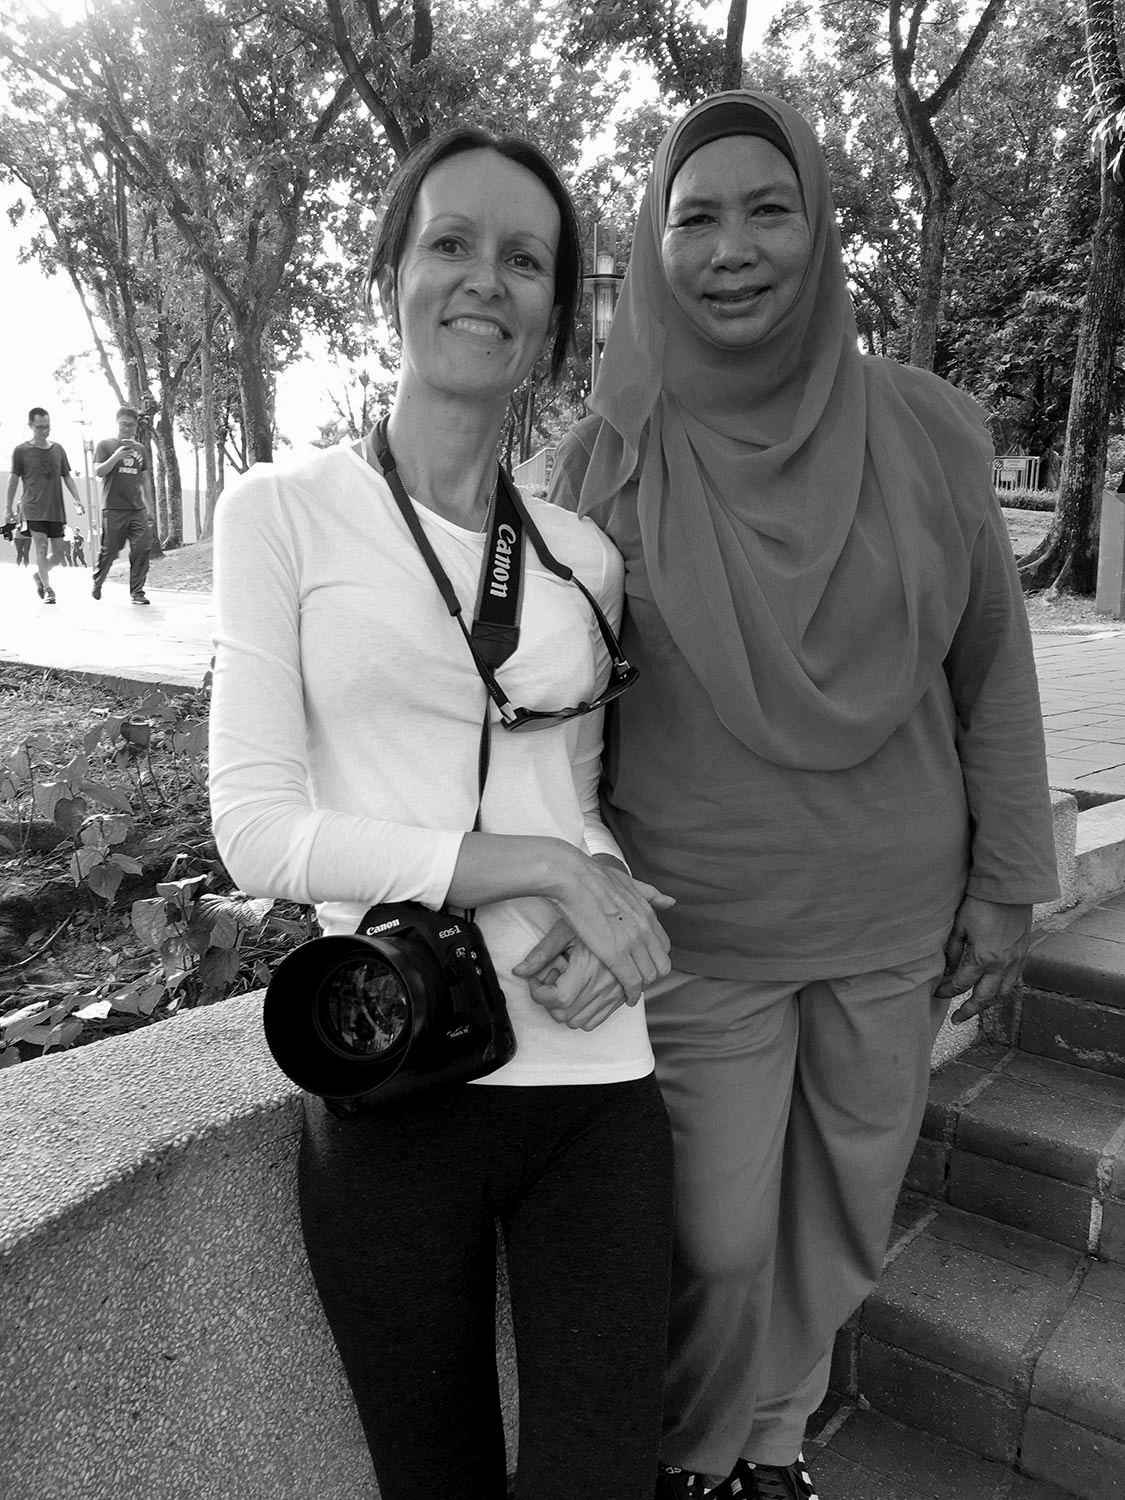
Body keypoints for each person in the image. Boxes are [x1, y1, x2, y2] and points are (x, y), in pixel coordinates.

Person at [527, 91, 1061, 1500]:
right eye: (693, 217)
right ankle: (693, 1448)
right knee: (712, 1235)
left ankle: (772, 1442)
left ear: (820, 228)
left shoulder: (929, 431)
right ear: (650, 245)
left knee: (839, 1212)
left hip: (895, 918)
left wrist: (1007, 882)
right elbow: (541, 723)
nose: (732, 247)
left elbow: (992, 669)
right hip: (699, 934)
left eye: (769, 209)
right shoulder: (601, 462)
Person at [208, 127, 676, 1500]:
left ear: (555, 311)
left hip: (596, 1077)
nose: (486, 279)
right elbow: (257, 827)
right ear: (392, 276)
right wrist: (526, 861)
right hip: (395, 1071)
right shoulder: (281, 511)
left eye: (524, 259)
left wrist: (616, 904)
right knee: (436, 1482)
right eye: (451, 243)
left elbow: (574, 801)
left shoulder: (582, 559)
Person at [4, 407, 86, 604]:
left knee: (58, 555)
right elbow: (13, 479)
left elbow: (67, 475)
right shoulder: (21, 451)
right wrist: (8, 508)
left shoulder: (58, 449)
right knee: (40, 546)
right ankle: (49, 589)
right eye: (40, 427)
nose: (45, 431)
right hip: (32, 508)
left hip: (56, 509)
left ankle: (39, 576)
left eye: (47, 427)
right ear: (31, 426)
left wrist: (77, 498)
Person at [91, 405, 152, 605]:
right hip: (113, 508)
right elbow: (99, 472)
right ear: (117, 424)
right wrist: (116, 456)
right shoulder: (105, 445)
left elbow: (144, 479)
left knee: (142, 548)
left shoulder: (141, 449)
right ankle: (98, 581)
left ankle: (137, 592)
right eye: (123, 424)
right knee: (110, 551)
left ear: (136, 427)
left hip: (136, 509)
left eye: (131, 425)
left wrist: (150, 507)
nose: (127, 428)